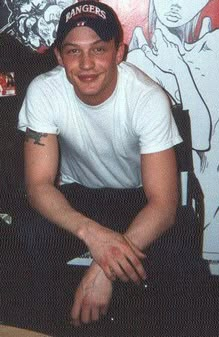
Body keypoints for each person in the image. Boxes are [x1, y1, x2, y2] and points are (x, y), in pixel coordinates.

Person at [18, 1, 182, 327]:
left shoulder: (147, 99)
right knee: (23, 239)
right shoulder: (44, 92)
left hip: (139, 199)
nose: (87, 64)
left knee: (181, 258)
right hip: (78, 195)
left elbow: (164, 205)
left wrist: (104, 266)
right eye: (74, 52)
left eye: (99, 49)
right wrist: (94, 236)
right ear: (59, 57)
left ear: (119, 52)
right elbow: (38, 187)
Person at [127, 0, 219, 254]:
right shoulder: (139, 60)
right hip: (160, 225)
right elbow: (196, 136)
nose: (176, 3)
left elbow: (203, 137)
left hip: (213, 230)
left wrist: (179, 66)